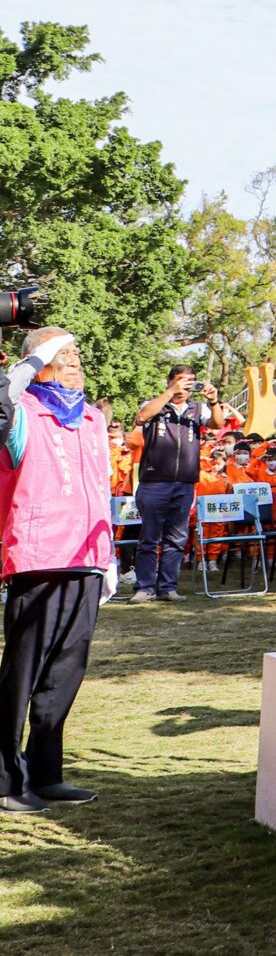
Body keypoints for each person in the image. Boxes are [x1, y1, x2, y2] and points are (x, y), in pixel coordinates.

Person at [1, 328, 113, 813]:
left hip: (87, 558)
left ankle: (46, 774)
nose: (72, 361)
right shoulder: (21, 410)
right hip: (39, 557)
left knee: (65, 672)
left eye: (75, 353)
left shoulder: (90, 416)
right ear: (37, 363)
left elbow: (101, 490)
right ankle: (5, 780)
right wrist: (28, 363)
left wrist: (109, 557)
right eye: (58, 354)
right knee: (22, 676)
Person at [129, 366, 224, 602]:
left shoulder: (196, 408)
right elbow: (142, 417)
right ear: (170, 381)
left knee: (176, 537)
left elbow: (217, 424)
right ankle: (145, 587)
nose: (187, 385)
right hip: (154, 481)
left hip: (184, 482)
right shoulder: (155, 404)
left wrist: (213, 402)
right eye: (182, 380)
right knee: (149, 537)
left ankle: (168, 587)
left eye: (191, 381)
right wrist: (170, 393)